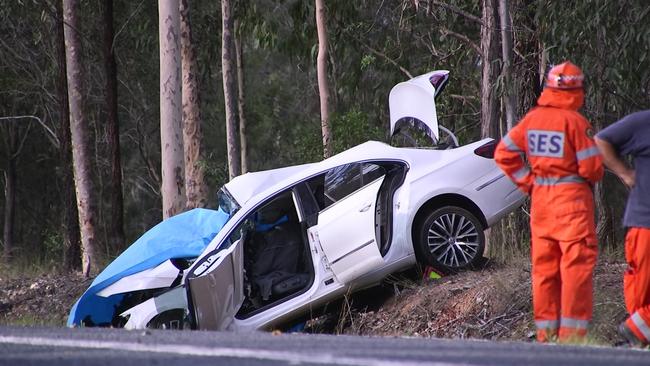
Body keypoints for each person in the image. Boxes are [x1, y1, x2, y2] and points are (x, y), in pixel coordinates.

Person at [494, 61, 603, 342]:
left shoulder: (532, 120)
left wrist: (529, 183)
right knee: (575, 268)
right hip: (573, 206)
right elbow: (592, 169)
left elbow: (504, 153)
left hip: (542, 205)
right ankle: (572, 337)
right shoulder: (577, 123)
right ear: (576, 91)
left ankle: (546, 334)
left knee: (544, 271)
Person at [595, 111, 650, 346]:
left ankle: (638, 332)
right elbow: (602, 141)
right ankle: (639, 336)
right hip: (645, 222)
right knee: (641, 290)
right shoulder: (644, 122)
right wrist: (625, 173)